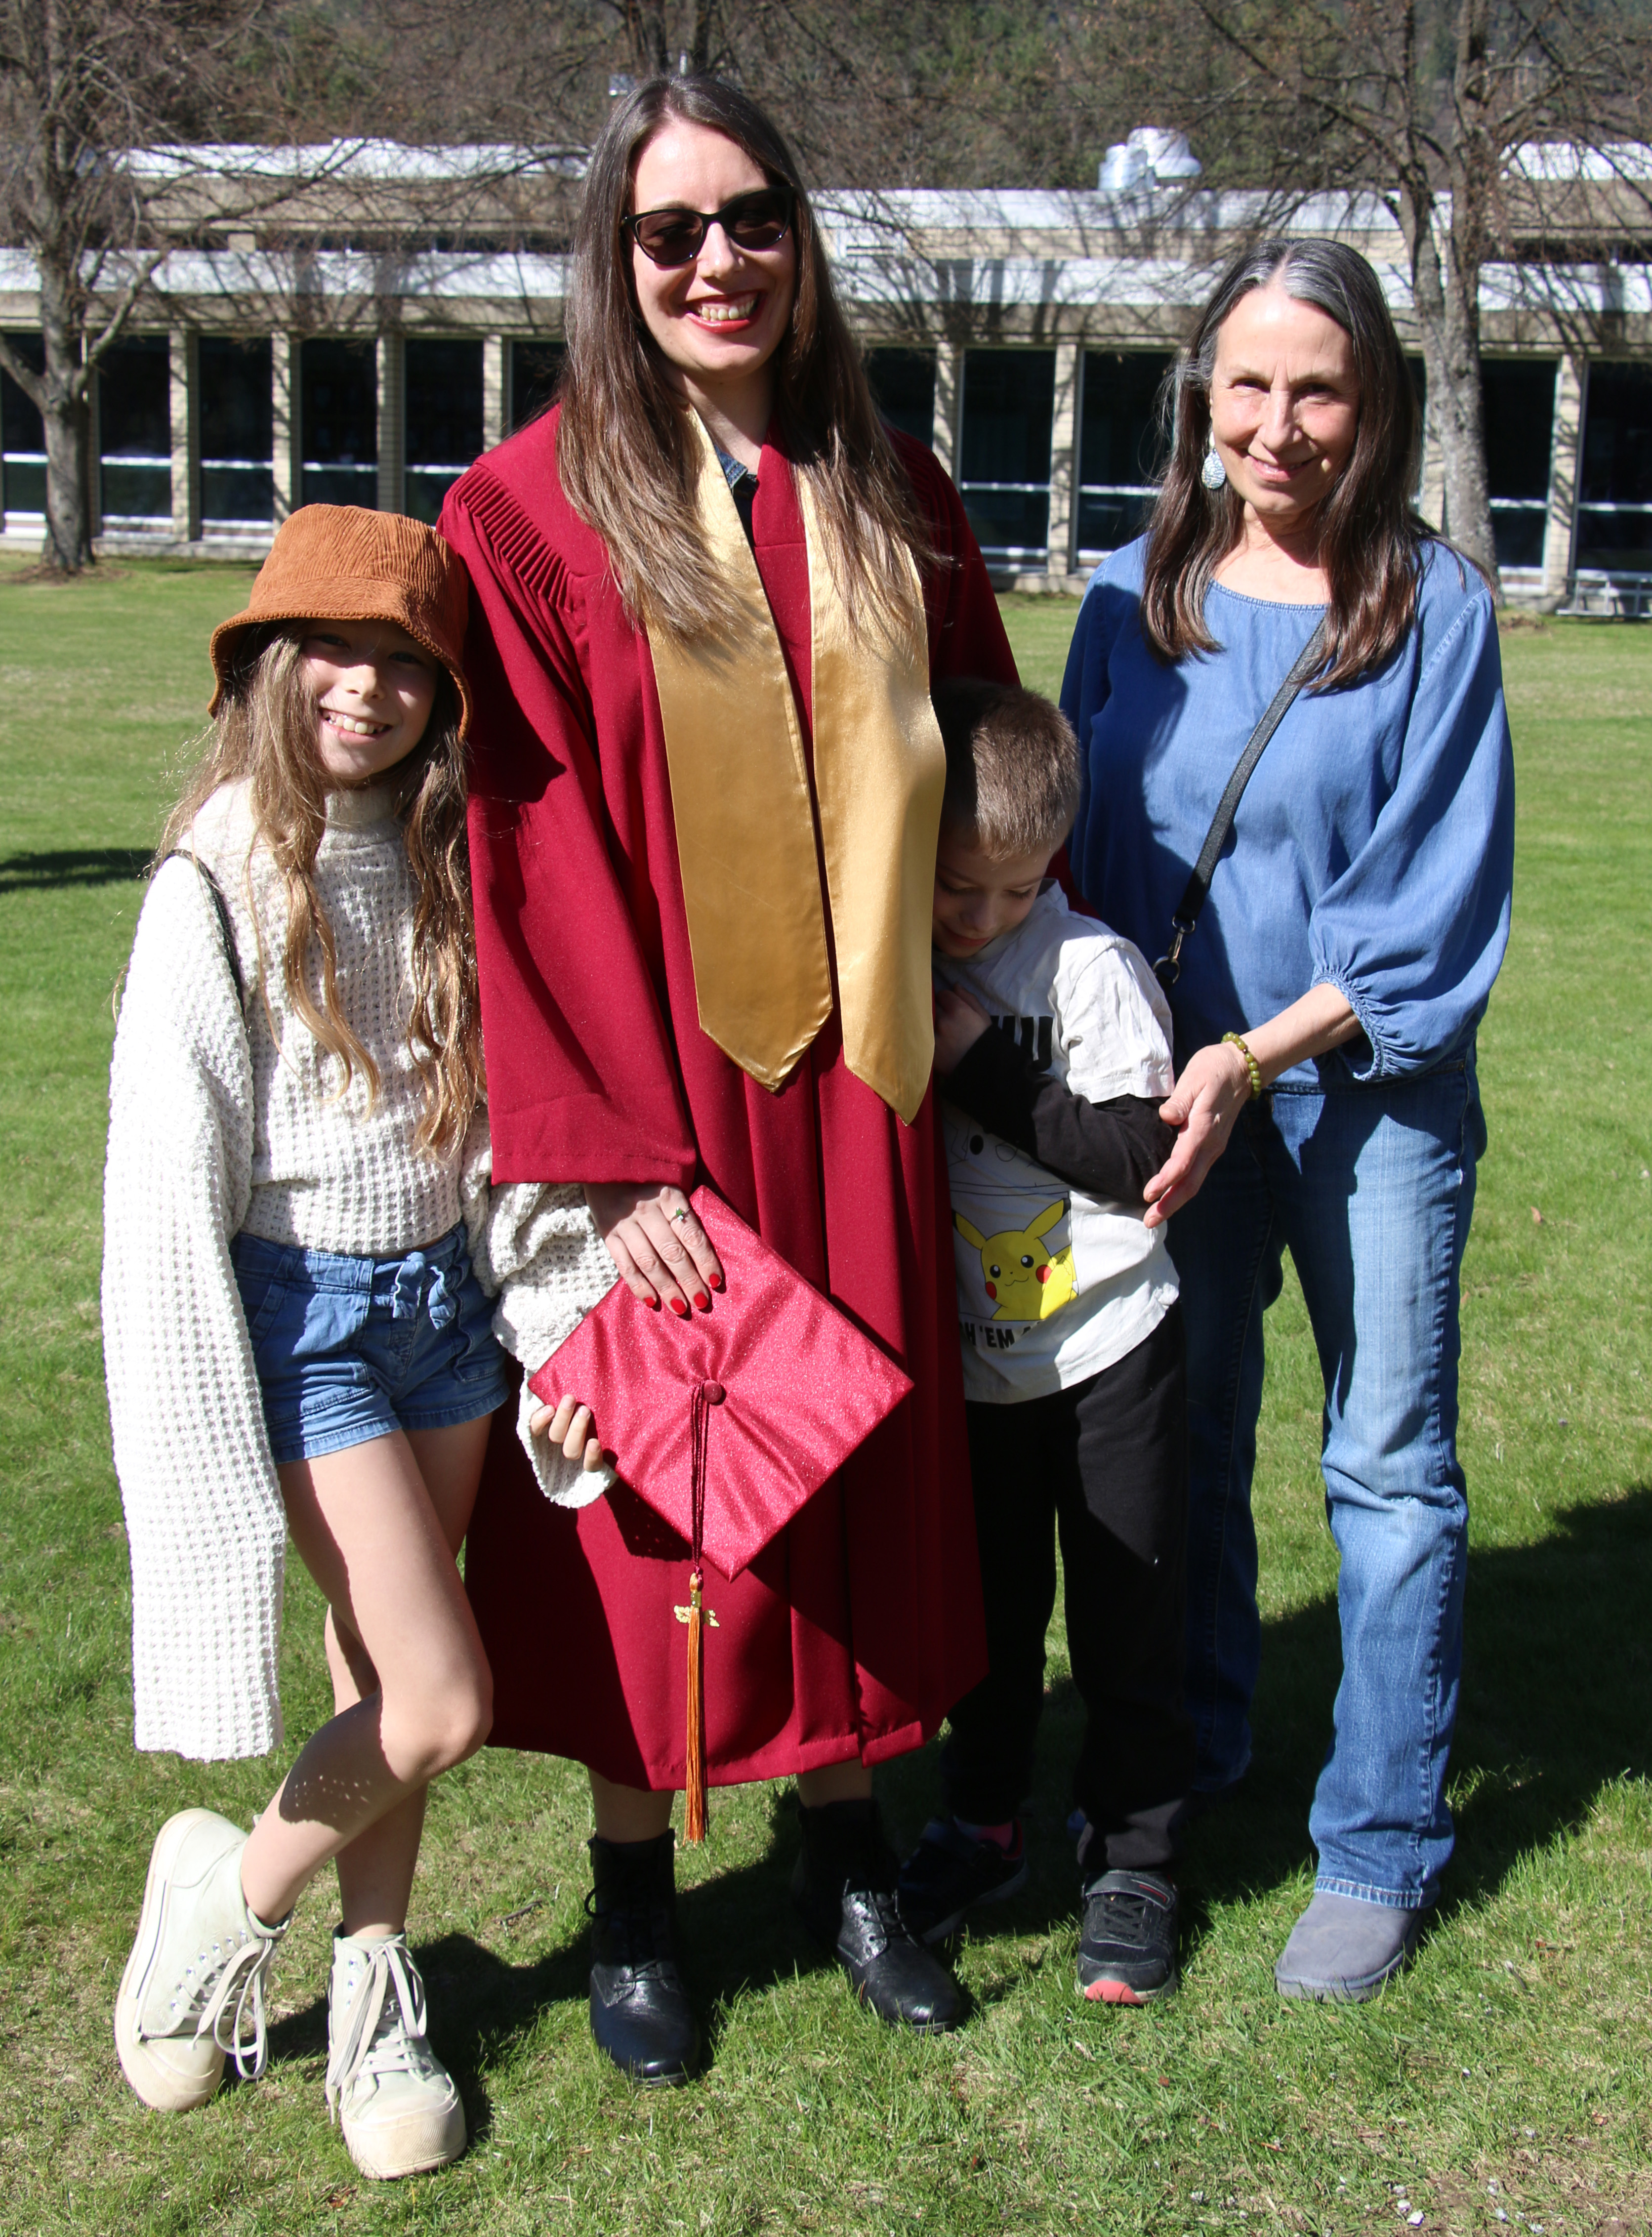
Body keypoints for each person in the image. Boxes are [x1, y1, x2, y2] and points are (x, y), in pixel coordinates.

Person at [437, 72, 1017, 2079]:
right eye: (670, 231)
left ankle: (846, 1855)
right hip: (665, 1109)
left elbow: (989, 755)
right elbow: (526, 852)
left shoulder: (888, 486)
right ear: (614, 257)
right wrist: (614, 1166)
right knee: (665, 1499)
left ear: (800, 235)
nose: (717, 262)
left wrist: (993, 978)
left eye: (752, 217)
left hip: (863, 1093)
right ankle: (633, 1894)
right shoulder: (527, 514)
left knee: (847, 1473)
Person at [1061, 239, 1515, 2000]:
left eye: (1317, 388)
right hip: (1179, 1098)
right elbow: (1078, 850)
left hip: (1365, 1095)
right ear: (1202, 397)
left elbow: (1429, 906)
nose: (1278, 424)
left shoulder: (1433, 608)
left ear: (1376, 401)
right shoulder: (1133, 594)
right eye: (1246, 385)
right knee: (1188, 1438)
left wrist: (1259, 1053)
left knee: (1385, 1465)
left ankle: (1382, 1838)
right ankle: (1204, 1746)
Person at [105, 507, 512, 2180]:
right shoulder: (211, 882)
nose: (368, 687)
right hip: (307, 1321)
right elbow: (164, 1188)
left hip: (447, 1309)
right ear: (271, 665)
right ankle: (226, 1897)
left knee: (375, 1675)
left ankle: (372, 1995)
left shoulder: (448, 854)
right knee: (441, 1695)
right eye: (335, 649)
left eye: (406, 661)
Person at [894, 678, 1196, 2005]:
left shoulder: (1089, 970)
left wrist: (978, 1058)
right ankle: (984, 1822)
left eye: (1017, 889)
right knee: (994, 1620)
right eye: (959, 886)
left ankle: (1136, 1858)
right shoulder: (893, 956)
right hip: (979, 1365)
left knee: (1127, 1610)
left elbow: (1136, 1159)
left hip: (1111, 1348)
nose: (982, 917)